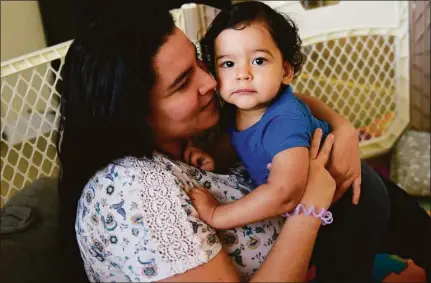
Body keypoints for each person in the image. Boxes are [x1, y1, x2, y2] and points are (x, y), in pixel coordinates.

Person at [56, 6, 430, 283]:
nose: (210, 82)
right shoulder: (133, 190)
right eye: (182, 82)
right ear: (131, 112)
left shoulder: (195, 130)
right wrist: (310, 205)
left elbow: (289, 104)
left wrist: (343, 129)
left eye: (201, 63)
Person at [186, 0, 363, 231]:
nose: (243, 74)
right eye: (228, 63)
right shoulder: (236, 109)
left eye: (258, 61)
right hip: (319, 207)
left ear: (286, 71)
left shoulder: (284, 122)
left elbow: (285, 194)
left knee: (345, 265)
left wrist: (217, 214)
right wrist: (214, 159)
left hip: (351, 204)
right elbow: (242, 143)